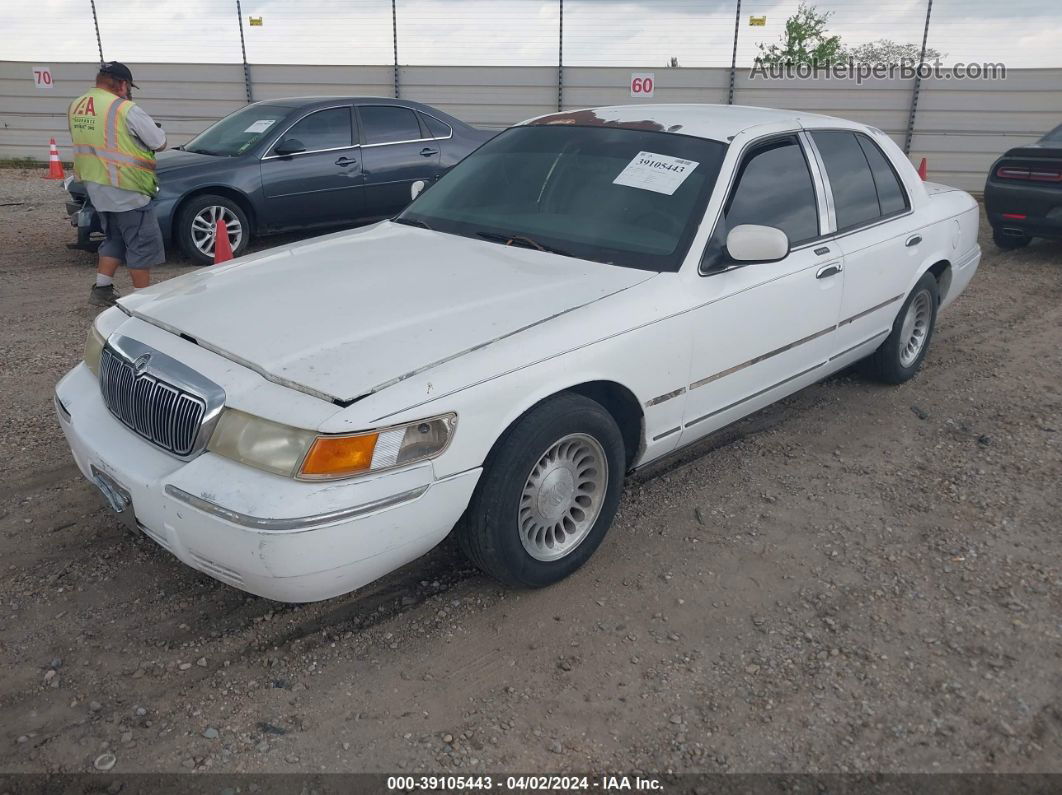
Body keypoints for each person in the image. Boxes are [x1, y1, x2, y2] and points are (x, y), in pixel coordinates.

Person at [68, 62, 167, 306]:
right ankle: (142, 303)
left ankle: (102, 290)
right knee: (140, 246)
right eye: (128, 86)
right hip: (127, 187)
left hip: (97, 186)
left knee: (114, 238)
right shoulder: (124, 108)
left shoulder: (78, 105)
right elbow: (158, 142)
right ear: (122, 84)